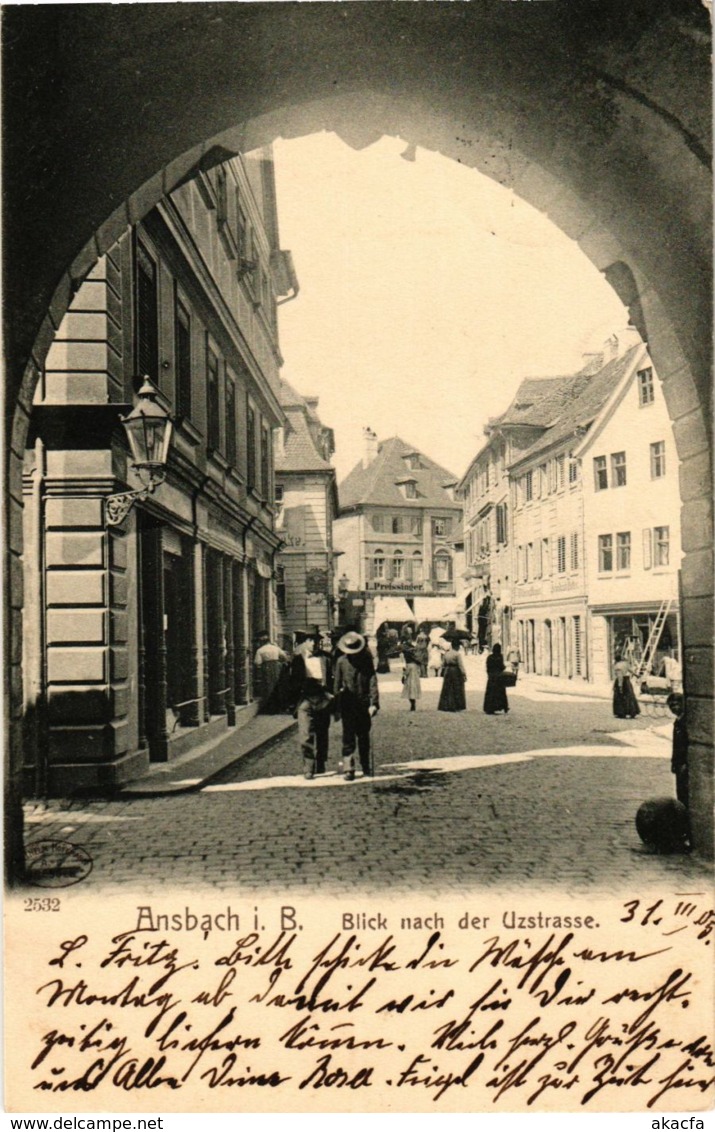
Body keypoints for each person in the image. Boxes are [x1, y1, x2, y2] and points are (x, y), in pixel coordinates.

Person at [334, 631, 379, 780]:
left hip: (363, 704)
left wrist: (374, 703)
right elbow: (337, 685)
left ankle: (366, 766)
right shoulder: (341, 661)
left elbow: (372, 680)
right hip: (348, 704)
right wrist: (337, 706)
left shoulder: (366, 660)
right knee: (348, 738)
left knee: (363, 736)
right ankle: (349, 768)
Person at [289, 633, 336, 778]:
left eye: (317, 641)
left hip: (323, 700)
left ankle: (321, 761)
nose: (314, 644)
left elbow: (334, 679)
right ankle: (309, 767)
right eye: (311, 641)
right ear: (305, 642)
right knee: (305, 736)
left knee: (322, 734)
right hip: (305, 701)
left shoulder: (327, 658)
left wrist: (332, 696)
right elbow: (292, 683)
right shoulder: (297, 660)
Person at [253, 632, 288, 714]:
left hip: (266, 667)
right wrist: (280, 662)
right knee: (278, 686)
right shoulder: (275, 648)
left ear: (262, 642)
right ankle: (279, 707)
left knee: (268, 686)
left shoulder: (260, 650)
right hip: (276, 666)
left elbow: (257, 662)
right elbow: (284, 656)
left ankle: (270, 709)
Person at [667, 692, 689, 809]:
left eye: (676, 704)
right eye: (671, 706)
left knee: (685, 793)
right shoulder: (678, 721)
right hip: (679, 764)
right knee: (680, 792)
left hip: (685, 764)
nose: (674, 708)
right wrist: (674, 762)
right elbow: (676, 746)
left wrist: (686, 763)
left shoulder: (686, 722)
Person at [438, 639, 467, 712]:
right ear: (457, 646)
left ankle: (446, 705)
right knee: (456, 688)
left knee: (447, 688)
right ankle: (456, 705)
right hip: (455, 671)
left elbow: (443, 664)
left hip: (448, 671)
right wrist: (464, 674)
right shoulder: (457, 654)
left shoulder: (446, 654)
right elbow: (460, 665)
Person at [483, 642, 509, 715]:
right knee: (501, 693)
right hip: (499, 677)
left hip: (491, 677)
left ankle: (489, 708)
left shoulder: (489, 657)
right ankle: (503, 706)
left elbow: (487, 667)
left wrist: (489, 674)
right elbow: (502, 667)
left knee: (491, 692)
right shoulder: (500, 657)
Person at [612, 652, 640, 719]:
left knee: (620, 697)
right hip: (627, 681)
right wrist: (636, 675)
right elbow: (631, 671)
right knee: (630, 697)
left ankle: (621, 713)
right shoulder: (625, 664)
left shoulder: (617, 666)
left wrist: (620, 686)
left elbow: (620, 677)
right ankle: (632, 712)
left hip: (622, 682)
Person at [401, 641, 422, 712]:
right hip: (415, 680)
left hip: (409, 680)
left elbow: (406, 673)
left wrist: (403, 673)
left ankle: (412, 704)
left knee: (409, 693)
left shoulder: (408, 665)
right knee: (414, 692)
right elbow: (419, 672)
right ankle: (413, 704)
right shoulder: (416, 665)